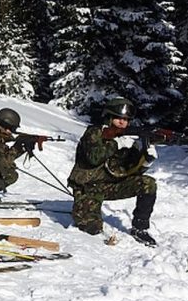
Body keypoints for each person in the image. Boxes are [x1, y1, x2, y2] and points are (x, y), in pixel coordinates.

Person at [67, 97, 158, 246]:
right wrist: (116, 143)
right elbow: (94, 158)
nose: (122, 123)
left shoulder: (128, 139)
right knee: (91, 228)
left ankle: (140, 228)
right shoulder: (94, 133)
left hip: (109, 186)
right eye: (118, 118)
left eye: (126, 119)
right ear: (108, 117)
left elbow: (132, 171)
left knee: (148, 183)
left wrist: (146, 160)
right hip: (87, 188)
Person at [0, 108, 30, 202]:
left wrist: (21, 146)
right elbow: (3, 163)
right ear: (6, 126)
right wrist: (17, 147)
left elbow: (3, 155)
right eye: (13, 129)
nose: (12, 132)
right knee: (10, 175)